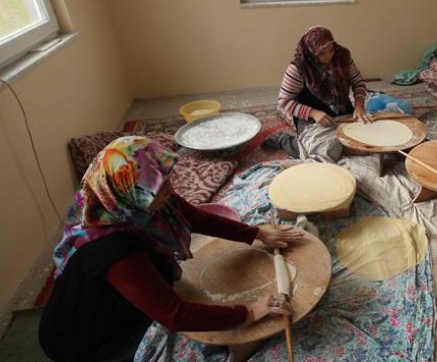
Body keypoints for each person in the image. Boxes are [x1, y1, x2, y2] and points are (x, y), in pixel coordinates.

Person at [39, 136, 304, 362]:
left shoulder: (124, 198)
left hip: (111, 299)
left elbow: (193, 216)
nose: (170, 191)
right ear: (130, 193)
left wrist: (257, 234)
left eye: (165, 182)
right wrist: (248, 312)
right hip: (88, 340)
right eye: (160, 189)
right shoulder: (115, 251)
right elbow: (175, 314)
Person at [263, 26, 372, 158]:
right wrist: (313, 113)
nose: (328, 56)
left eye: (331, 50)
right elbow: (284, 102)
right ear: (311, 52)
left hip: (341, 109)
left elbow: (357, 82)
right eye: (321, 53)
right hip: (311, 116)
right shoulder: (299, 68)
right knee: (318, 151)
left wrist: (359, 106)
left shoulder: (342, 56)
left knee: (366, 139)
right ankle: (284, 141)